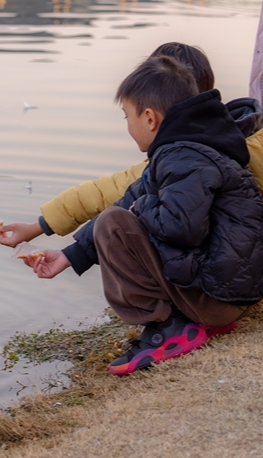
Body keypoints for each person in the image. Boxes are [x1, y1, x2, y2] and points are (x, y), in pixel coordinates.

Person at [21, 55, 263, 376]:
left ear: (149, 118)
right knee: (119, 216)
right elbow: (128, 200)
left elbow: (180, 227)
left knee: (113, 224)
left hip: (219, 300)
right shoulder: (189, 148)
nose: (128, 126)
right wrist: (70, 255)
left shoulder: (182, 157)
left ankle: (167, 326)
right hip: (229, 293)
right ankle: (183, 320)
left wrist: (144, 208)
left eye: (127, 116)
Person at [0, 42, 263, 249]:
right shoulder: (240, 134)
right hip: (240, 257)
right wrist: (39, 227)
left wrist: (39, 227)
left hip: (223, 272)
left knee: (134, 216)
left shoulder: (187, 158)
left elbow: (108, 192)